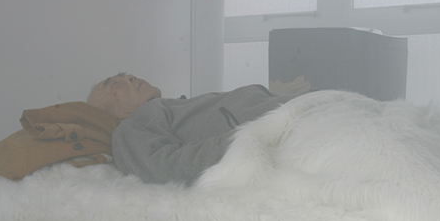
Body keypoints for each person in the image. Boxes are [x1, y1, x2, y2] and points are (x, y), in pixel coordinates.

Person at [87, 73, 301, 185]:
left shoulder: (170, 108)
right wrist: (253, 136)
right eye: (115, 85)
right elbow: (165, 170)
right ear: (111, 113)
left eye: (124, 75)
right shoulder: (129, 129)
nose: (129, 77)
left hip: (298, 111)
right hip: (290, 131)